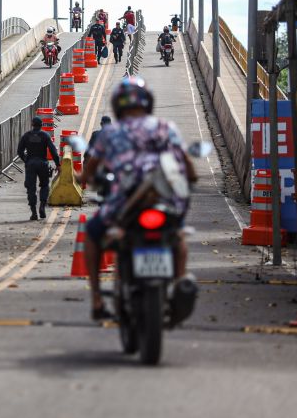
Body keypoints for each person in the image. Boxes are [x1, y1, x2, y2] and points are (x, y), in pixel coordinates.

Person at [78, 77, 197, 320]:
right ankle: (179, 282)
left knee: (91, 234)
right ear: (148, 102)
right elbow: (188, 167)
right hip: (164, 199)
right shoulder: (166, 127)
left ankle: (97, 299)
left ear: (118, 105)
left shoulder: (110, 132)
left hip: (125, 202)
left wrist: (82, 176)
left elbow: (89, 171)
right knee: (178, 234)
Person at [17, 117, 60, 221]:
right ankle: (42, 206)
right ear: (41, 125)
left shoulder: (26, 136)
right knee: (45, 185)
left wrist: (26, 160)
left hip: (31, 164)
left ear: (32, 124)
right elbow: (53, 151)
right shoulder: (45, 135)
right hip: (42, 163)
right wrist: (58, 164)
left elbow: (19, 151)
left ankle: (33, 212)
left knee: (31, 188)